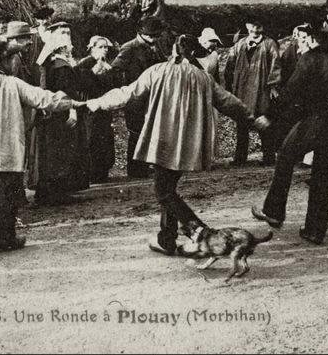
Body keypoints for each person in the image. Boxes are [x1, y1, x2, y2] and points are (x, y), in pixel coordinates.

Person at [85, 35, 262, 255]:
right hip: (189, 144)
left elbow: (127, 94)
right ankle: (166, 239)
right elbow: (228, 102)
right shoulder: (203, 77)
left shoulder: (158, 71)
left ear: (174, 52)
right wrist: (251, 118)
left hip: (163, 141)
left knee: (163, 192)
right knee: (168, 189)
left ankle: (200, 233)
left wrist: (97, 103)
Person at [0, 39, 83, 257]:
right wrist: (74, 103)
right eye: (15, 59)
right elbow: (44, 99)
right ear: (5, 61)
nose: (18, 63)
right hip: (4, 147)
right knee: (9, 192)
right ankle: (5, 238)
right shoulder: (12, 83)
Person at [251, 23, 328, 245]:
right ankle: (315, 230)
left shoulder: (311, 57)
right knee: (321, 174)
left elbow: (291, 91)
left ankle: (274, 211)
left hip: (315, 120)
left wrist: (270, 115)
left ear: (315, 40)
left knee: (285, 156)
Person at [27, 21, 90, 204]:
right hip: (60, 113)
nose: (68, 43)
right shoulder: (60, 66)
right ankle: (55, 191)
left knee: (53, 152)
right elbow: (66, 90)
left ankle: (50, 190)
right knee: (59, 152)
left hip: (54, 112)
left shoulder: (53, 63)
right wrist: (72, 111)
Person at [109, 16, 167, 178]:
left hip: (154, 98)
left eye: (156, 35)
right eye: (151, 35)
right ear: (141, 33)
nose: (154, 39)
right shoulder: (129, 48)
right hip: (136, 99)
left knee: (152, 132)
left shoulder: (157, 46)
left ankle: (147, 164)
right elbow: (115, 69)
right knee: (136, 132)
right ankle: (135, 170)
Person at [222, 15, 282, 166]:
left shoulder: (269, 45)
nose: (255, 30)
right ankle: (240, 158)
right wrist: (229, 87)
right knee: (241, 125)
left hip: (261, 90)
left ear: (263, 28)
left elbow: (276, 66)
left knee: (263, 123)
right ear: (247, 26)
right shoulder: (239, 45)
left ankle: (268, 157)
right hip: (241, 89)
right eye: (252, 26)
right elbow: (229, 67)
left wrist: (273, 85)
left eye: (258, 26)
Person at [77, 36, 117, 182]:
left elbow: (112, 84)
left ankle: (102, 172)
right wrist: (94, 72)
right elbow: (81, 84)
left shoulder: (107, 64)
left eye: (106, 47)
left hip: (104, 107)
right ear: (92, 48)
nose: (104, 50)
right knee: (92, 139)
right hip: (90, 107)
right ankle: (92, 173)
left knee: (105, 139)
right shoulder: (85, 63)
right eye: (100, 47)